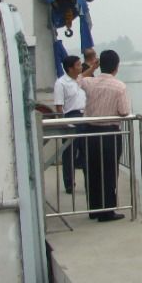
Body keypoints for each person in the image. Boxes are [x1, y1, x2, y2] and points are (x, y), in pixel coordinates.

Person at [78, 50, 130, 222]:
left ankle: (94, 209)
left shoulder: (90, 82)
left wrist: (92, 67)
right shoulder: (119, 87)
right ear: (117, 66)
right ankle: (107, 211)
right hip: (109, 134)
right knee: (109, 171)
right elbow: (124, 111)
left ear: (100, 65)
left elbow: (78, 79)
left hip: (90, 132)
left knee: (92, 171)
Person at [53, 56, 87, 194]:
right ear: (70, 68)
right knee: (69, 153)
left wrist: (94, 67)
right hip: (71, 117)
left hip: (84, 117)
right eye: (78, 65)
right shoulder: (61, 83)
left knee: (85, 151)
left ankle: (89, 182)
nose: (81, 67)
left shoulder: (80, 80)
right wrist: (63, 123)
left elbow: (87, 74)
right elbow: (59, 106)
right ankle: (69, 184)